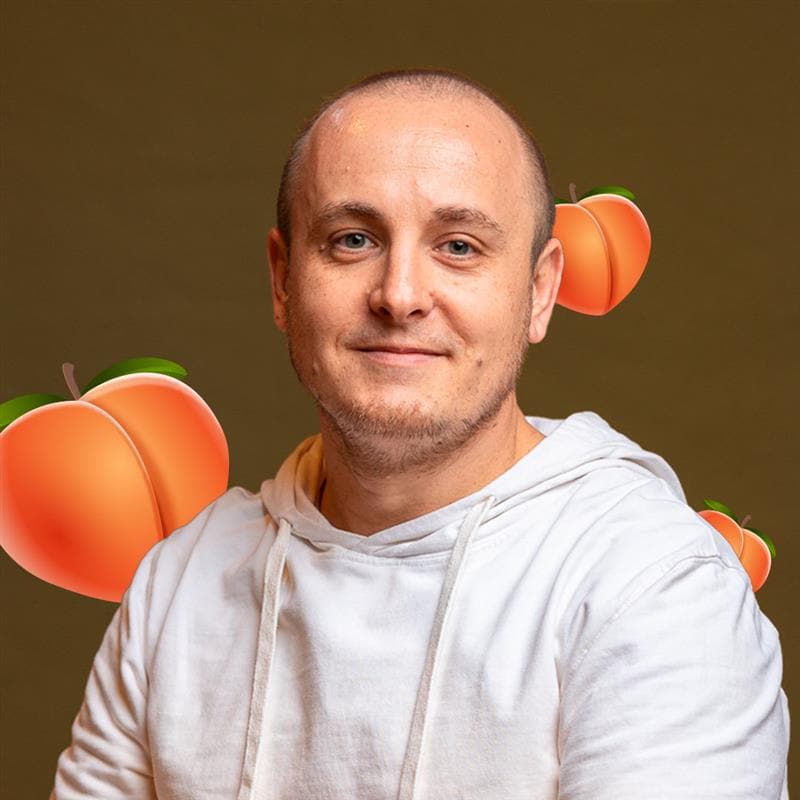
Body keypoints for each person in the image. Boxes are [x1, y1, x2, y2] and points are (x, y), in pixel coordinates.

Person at [51, 68, 790, 799]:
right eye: (352, 240)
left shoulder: (654, 585)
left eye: (459, 246)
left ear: (539, 292)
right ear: (282, 282)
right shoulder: (177, 587)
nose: (399, 295)